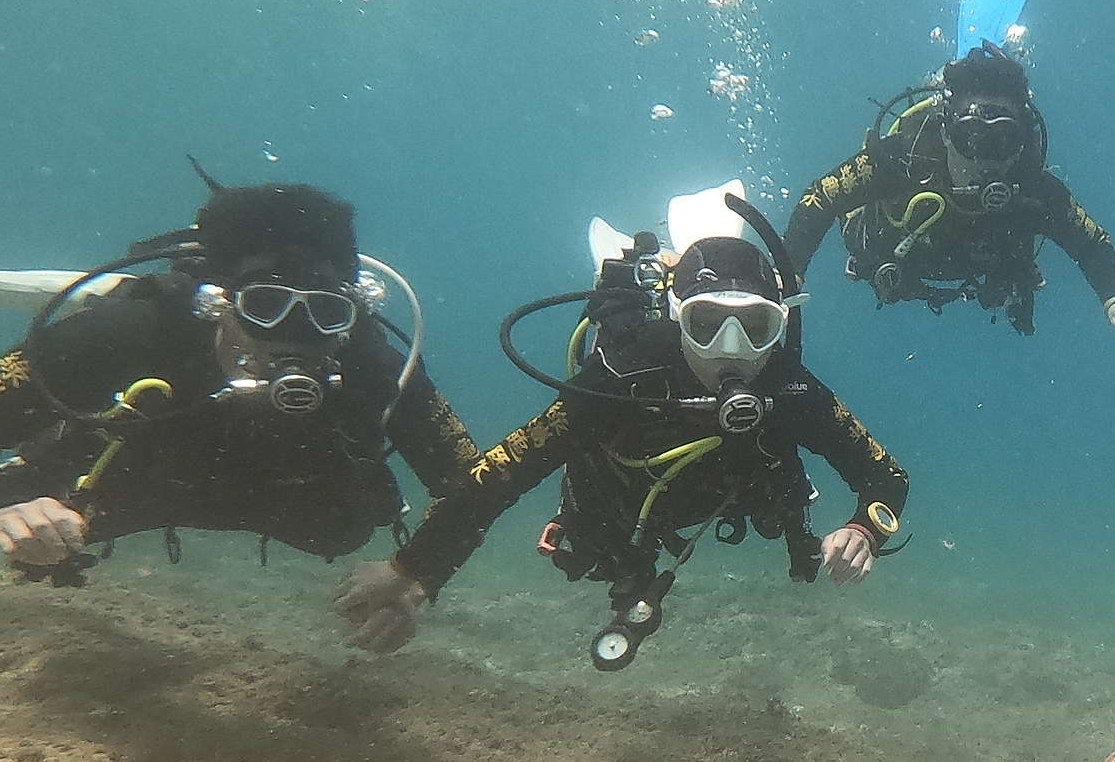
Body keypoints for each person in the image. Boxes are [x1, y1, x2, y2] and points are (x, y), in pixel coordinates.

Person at [0, 182, 482, 650]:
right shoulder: (136, 332)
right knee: (54, 507)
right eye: (266, 307)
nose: (295, 336)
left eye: (325, 313)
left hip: (301, 502)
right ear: (217, 302)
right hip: (145, 481)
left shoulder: (373, 361)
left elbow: (475, 484)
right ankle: (42, 482)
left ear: (350, 311)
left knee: (348, 522)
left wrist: (414, 575)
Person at [334, 211, 908, 671]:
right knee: (595, 548)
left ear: (779, 325)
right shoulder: (620, 377)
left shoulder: (791, 388)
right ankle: (641, 265)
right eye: (707, 325)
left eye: (756, 328)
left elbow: (887, 477)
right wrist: (415, 572)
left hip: (733, 494)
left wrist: (865, 529)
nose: (732, 350)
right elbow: (505, 472)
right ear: (677, 315)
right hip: (624, 503)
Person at [778, 41, 1115, 337]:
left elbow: (1090, 240)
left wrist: (1113, 295)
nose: (986, 157)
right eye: (971, 135)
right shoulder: (902, 158)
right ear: (945, 131)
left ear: (1022, 141)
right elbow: (821, 198)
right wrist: (789, 271)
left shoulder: (1035, 190)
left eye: (1003, 138)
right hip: (891, 255)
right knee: (859, 229)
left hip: (985, 267)